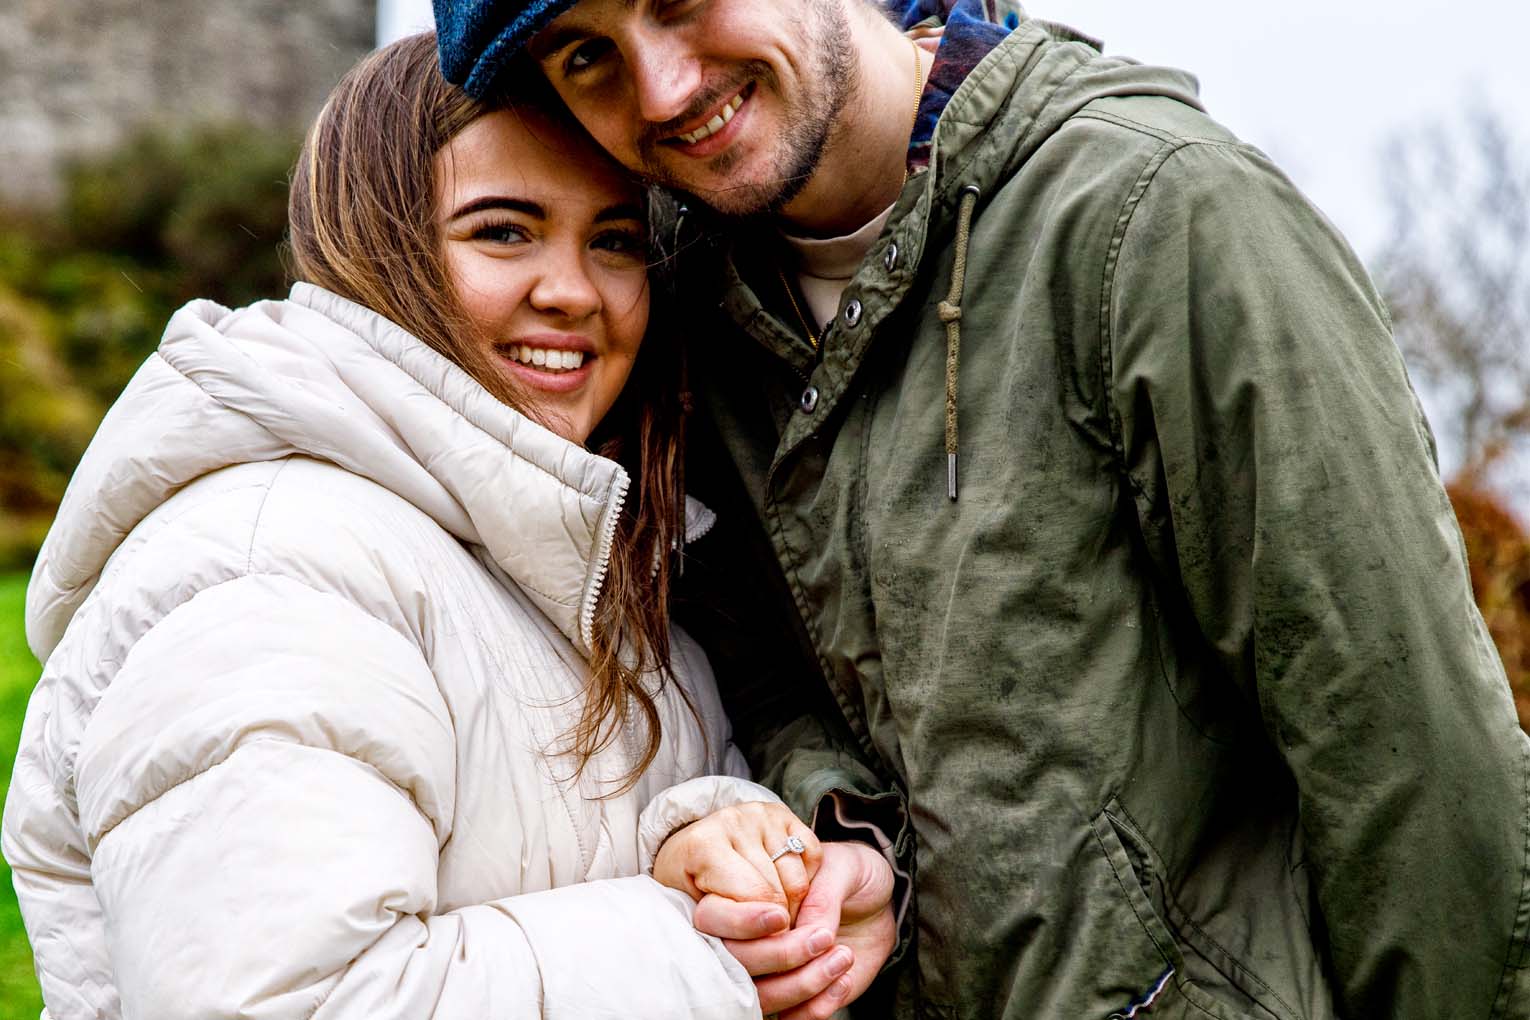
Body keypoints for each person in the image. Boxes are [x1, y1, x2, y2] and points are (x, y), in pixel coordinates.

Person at [432, 1, 1530, 1018]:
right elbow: (765, 682)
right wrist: (839, 832)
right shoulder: (682, 317)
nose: (663, 88)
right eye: (588, 58)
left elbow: (1414, 772)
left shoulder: (1160, 221)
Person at [0, 31, 896, 1020]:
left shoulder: (590, 551)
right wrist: (706, 959)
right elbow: (282, 1003)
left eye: (614, 241)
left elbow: (540, 847)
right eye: (503, 231)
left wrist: (714, 845)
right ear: (379, 248)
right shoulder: (274, 567)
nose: (573, 290)